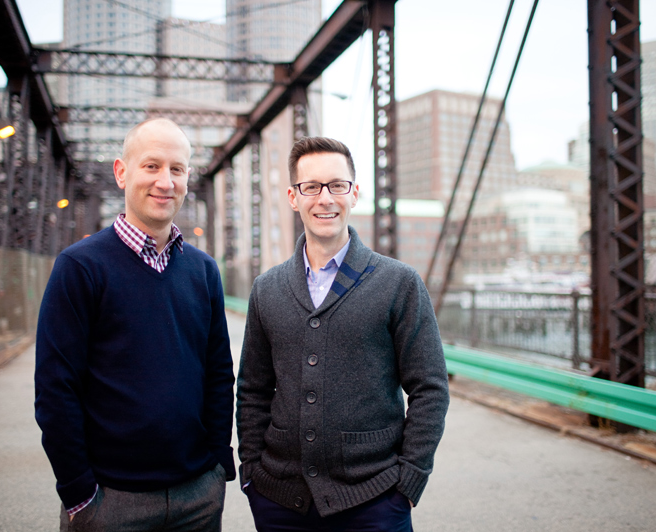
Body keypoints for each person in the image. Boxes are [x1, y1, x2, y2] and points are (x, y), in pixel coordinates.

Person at [236, 136, 449, 531]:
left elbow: (430, 387)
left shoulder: (398, 283)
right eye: (311, 187)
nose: (325, 198)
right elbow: (253, 389)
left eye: (337, 185)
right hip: (280, 502)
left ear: (355, 193)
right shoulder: (267, 289)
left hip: (375, 499)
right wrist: (251, 472)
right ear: (292, 196)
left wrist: (409, 480)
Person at [35, 118, 235, 532]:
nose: (165, 181)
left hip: (197, 496)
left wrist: (217, 465)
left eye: (177, 169)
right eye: (151, 166)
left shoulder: (203, 271)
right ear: (121, 172)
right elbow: (56, 389)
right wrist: (79, 493)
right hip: (110, 502)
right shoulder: (79, 267)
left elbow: (219, 375)